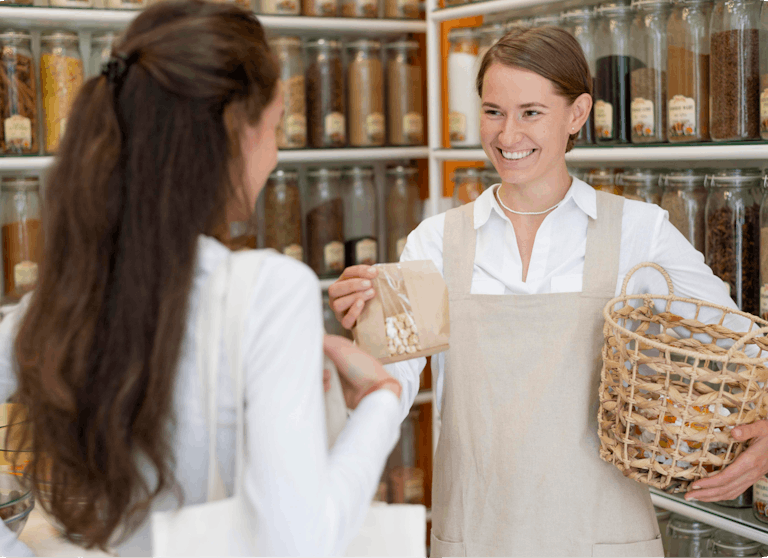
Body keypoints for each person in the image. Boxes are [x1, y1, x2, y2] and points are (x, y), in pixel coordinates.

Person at [329, 26, 768, 557]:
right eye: (493, 111)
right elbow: (387, 393)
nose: (507, 134)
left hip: (605, 541)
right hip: (476, 540)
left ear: (578, 114)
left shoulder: (638, 231)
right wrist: (361, 334)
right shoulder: (436, 242)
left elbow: (744, 345)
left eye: (530, 112)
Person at [0, 1, 403, 555]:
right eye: (276, 126)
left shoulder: (56, 303)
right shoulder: (267, 293)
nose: (278, 153)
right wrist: (382, 402)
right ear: (236, 128)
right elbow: (299, 542)